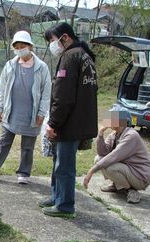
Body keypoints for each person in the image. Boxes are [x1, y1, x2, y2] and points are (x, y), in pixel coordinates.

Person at [39, 22, 98, 218]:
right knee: (60, 162)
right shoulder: (85, 56)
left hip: (68, 122)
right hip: (79, 120)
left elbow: (63, 97)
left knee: (64, 165)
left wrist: (53, 123)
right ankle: (56, 196)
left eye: (52, 40)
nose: (52, 45)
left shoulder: (70, 57)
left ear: (64, 38)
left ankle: (64, 205)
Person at [0, 30, 51, 184]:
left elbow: (46, 92)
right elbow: (2, 88)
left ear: (30, 46)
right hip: (11, 110)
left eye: (23, 45)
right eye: (17, 46)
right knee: (3, 142)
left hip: (32, 112)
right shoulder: (10, 65)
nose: (20, 49)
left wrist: (42, 112)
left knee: (28, 146)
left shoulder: (42, 67)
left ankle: (23, 173)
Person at [83, 109, 150, 203]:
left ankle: (131, 190)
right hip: (129, 170)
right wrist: (101, 133)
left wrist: (91, 171)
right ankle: (118, 186)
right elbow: (102, 153)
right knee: (98, 159)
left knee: (110, 166)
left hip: (140, 176)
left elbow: (113, 157)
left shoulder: (131, 135)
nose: (109, 120)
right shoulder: (115, 134)